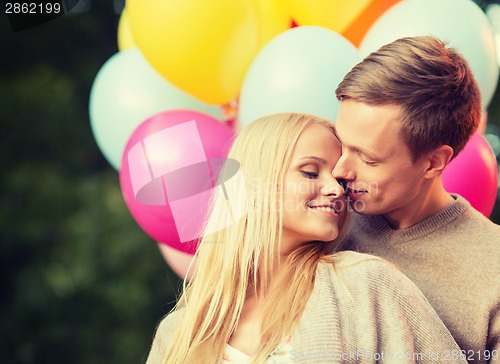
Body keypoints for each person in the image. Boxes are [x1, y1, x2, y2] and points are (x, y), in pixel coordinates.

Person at [146, 113, 467, 364]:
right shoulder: (177, 333)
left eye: (339, 179)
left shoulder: (365, 285)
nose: (335, 189)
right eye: (311, 172)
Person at [333, 36, 500, 364]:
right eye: (341, 144)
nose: (340, 169)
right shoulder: (322, 219)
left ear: (433, 162)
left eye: (367, 158)